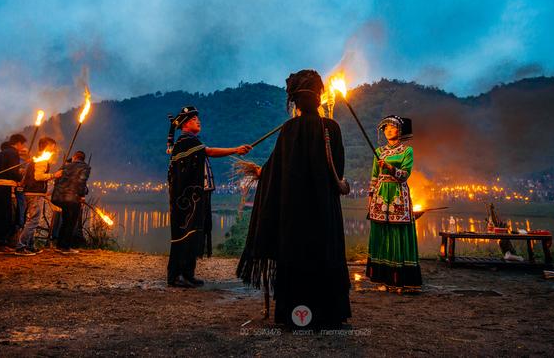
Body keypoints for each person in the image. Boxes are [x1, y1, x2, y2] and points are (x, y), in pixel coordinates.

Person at [237, 69, 351, 328]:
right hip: (323, 212)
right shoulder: (331, 128)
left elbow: (275, 169)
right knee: (324, 254)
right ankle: (328, 315)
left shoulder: (289, 130)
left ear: (295, 102)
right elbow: (339, 170)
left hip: (294, 214)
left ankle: (295, 316)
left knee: (297, 257)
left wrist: (260, 172)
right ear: (319, 97)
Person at [166, 106, 252, 288]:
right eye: (195, 119)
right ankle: (176, 276)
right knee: (185, 235)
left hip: (196, 197)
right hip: (187, 200)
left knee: (194, 234)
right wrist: (236, 150)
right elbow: (210, 151)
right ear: (186, 123)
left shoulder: (191, 141)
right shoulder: (186, 141)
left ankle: (188, 274)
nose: (199, 121)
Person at [366, 115, 422, 292]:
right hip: (381, 196)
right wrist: (370, 198)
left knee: (398, 235)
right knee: (383, 235)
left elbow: (405, 175)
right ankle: (384, 279)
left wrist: (390, 168)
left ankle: (401, 281)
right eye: (386, 128)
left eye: (392, 127)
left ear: (400, 130)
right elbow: (374, 177)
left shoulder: (407, 151)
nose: (388, 130)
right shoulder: (379, 151)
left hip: (398, 195)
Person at [15, 137, 62, 255]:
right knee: (34, 221)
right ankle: (21, 246)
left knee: (31, 220)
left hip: (30, 192)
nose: (54, 149)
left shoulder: (36, 159)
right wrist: (54, 175)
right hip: (35, 193)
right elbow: (38, 176)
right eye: (52, 146)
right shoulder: (42, 159)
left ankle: (29, 245)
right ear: (46, 146)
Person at [0, 134, 27, 252]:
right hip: (6, 188)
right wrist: (20, 174)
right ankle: (1, 242)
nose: (22, 147)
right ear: (18, 143)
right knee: (6, 216)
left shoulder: (0, 154)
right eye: (22, 144)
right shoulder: (13, 153)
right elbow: (11, 172)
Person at [51, 151, 90, 254]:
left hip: (60, 198)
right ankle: (66, 247)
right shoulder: (85, 167)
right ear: (82, 159)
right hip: (73, 198)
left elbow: (57, 180)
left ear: (74, 157)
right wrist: (82, 195)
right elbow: (81, 182)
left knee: (65, 221)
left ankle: (59, 245)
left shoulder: (65, 166)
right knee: (71, 222)